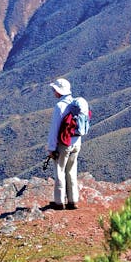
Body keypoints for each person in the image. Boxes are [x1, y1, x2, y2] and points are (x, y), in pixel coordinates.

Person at [46, 77, 81, 210]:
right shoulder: (75, 103)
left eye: (54, 89)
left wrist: (51, 148)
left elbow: (54, 129)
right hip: (76, 142)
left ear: (58, 91)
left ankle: (59, 202)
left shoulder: (60, 106)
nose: (53, 91)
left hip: (64, 144)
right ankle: (73, 201)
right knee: (72, 170)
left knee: (60, 171)